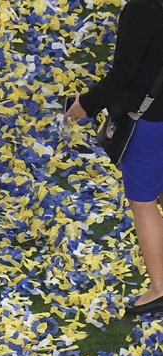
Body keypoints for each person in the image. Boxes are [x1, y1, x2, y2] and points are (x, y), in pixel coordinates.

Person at [64, 0, 163, 315]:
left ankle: (160, 288)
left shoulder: (144, 8)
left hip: (150, 120)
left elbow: (123, 74)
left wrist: (86, 105)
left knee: (143, 201)